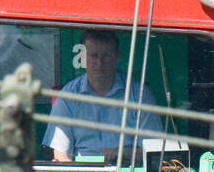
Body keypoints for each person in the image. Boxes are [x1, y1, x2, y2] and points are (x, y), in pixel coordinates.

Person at [43, 30, 163, 163]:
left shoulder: (140, 94)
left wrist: (122, 153)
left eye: (106, 56)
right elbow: (62, 158)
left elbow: (154, 151)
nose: (99, 63)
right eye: (93, 56)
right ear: (82, 58)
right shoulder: (67, 97)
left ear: (117, 57)